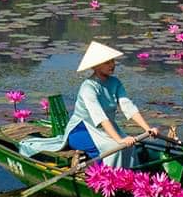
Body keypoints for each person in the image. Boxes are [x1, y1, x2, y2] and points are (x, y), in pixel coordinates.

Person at [17, 41, 160, 168]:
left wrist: (148, 129)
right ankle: (101, 178)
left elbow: (128, 106)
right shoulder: (88, 87)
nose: (112, 65)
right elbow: (100, 117)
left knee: (129, 147)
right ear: (96, 66)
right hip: (81, 129)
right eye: (107, 62)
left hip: (105, 128)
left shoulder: (115, 82)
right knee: (114, 147)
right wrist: (119, 140)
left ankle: (128, 176)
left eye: (112, 61)